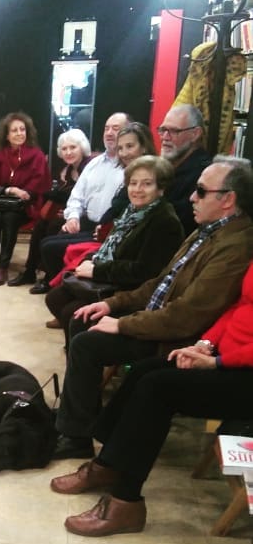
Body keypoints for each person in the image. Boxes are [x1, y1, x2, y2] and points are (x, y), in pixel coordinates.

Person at [52, 156, 253, 461]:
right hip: (160, 318)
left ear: (228, 200)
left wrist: (122, 323)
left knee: (87, 341)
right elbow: (159, 282)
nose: (192, 197)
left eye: (201, 191)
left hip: (178, 337)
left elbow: (187, 315)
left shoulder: (235, 245)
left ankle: (77, 434)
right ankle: (79, 424)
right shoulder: (207, 231)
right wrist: (110, 304)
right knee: (84, 319)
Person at [50, 261, 253, 536]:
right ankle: (108, 465)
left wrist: (219, 362)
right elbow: (240, 306)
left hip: (242, 372)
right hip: (222, 358)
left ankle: (126, 501)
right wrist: (205, 345)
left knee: (158, 388)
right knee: (145, 371)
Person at [44, 155, 183, 344]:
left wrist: (97, 270)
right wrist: (91, 259)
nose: (137, 189)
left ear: (161, 187)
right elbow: (111, 246)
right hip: (109, 276)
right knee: (55, 297)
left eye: (147, 184)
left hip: (131, 289)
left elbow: (145, 271)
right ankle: (75, 348)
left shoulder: (164, 221)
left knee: (75, 315)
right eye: (133, 183)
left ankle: (80, 357)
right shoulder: (132, 211)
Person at [38, 112, 130, 286]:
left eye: (116, 128)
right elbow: (76, 196)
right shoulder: (95, 163)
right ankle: (56, 282)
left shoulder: (129, 168)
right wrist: (72, 216)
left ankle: (62, 285)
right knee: (46, 240)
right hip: (86, 222)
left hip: (106, 230)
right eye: (106, 128)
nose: (109, 133)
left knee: (50, 245)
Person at [8, 128, 92, 288]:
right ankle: (30, 271)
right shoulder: (66, 171)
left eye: (73, 147)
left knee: (53, 226)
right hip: (68, 213)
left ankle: (49, 277)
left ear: (82, 147)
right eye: (65, 149)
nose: (68, 152)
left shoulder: (90, 168)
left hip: (85, 217)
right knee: (41, 224)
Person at [0, 112, 51, 286]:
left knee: (9, 217)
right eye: (14, 131)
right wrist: (11, 190)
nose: (19, 133)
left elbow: (34, 190)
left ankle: (2, 266)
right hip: (1, 204)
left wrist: (17, 193)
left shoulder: (37, 156)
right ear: (7, 135)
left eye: (22, 129)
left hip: (25, 207)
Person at [157, 104, 213, 237]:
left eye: (174, 131)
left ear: (195, 134)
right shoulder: (161, 167)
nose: (165, 137)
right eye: (163, 129)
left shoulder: (205, 174)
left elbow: (178, 223)